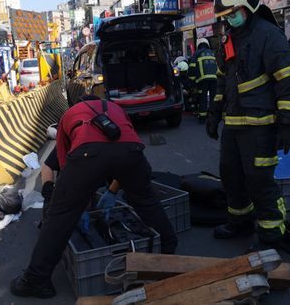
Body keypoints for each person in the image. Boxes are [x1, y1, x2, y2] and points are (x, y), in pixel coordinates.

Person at [11, 95, 177, 299]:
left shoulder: (70, 115)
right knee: (146, 200)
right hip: (131, 152)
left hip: (87, 156)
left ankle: (36, 280)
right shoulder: (115, 108)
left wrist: (73, 203)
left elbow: (65, 165)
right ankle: (169, 247)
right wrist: (113, 191)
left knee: (60, 215)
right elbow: (126, 145)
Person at [207, 0, 290, 249]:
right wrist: (214, 113)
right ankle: (240, 223)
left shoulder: (268, 35)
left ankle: (272, 234)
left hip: (262, 126)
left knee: (259, 181)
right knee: (231, 175)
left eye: (233, 13)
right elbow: (223, 80)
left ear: (248, 5)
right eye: (225, 15)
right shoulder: (230, 40)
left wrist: (288, 124)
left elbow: (287, 81)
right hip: (234, 125)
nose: (229, 19)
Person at [188, 38, 218, 123]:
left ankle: (202, 116)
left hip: (202, 80)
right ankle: (213, 116)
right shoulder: (212, 53)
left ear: (199, 45)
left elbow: (192, 68)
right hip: (214, 79)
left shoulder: (197, 53)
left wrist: (191, 81)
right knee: (213, 97)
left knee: (203, 97)